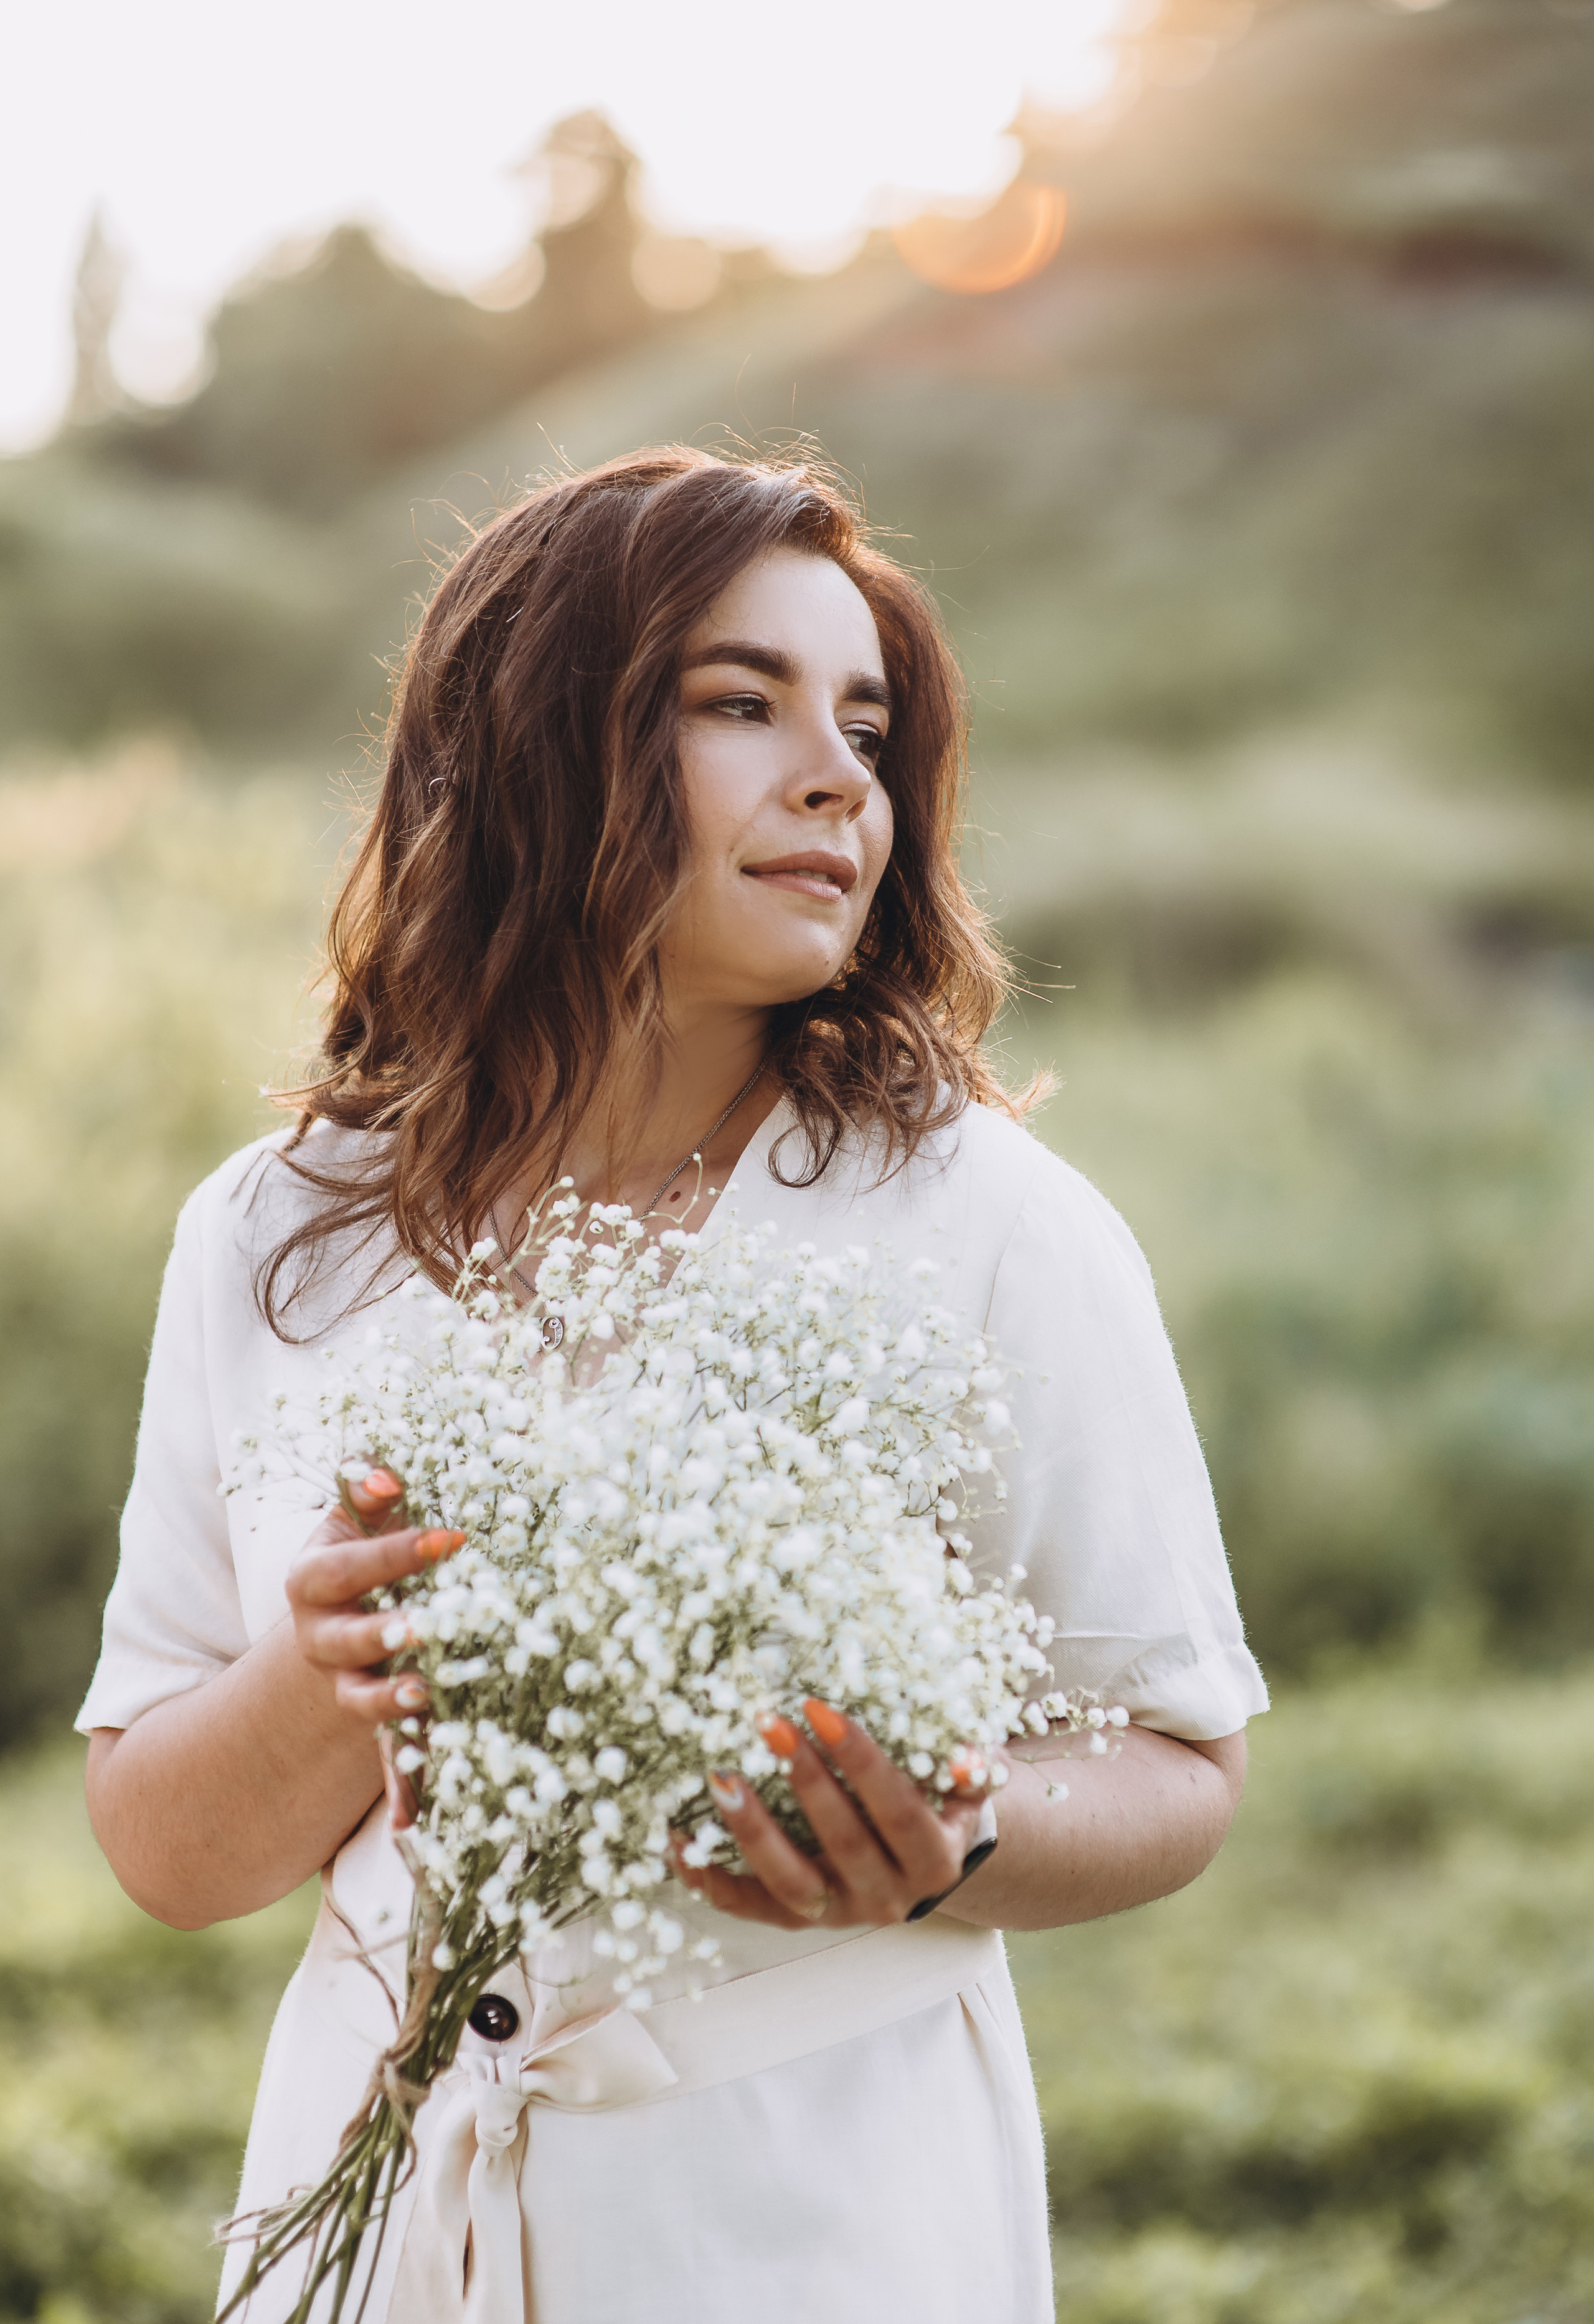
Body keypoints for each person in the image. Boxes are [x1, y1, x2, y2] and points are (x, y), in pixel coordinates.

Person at [78, 448, 1267, 2324]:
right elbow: (162, 1841)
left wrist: (957, 1839)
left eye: (867, 726)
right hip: (376, 2208)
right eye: (742, 703)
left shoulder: (991, 1222)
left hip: (815, 2213)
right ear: (540, 738)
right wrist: (324, 1678)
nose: (836, 780)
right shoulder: (273, 1230)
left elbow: (1184, 1756)